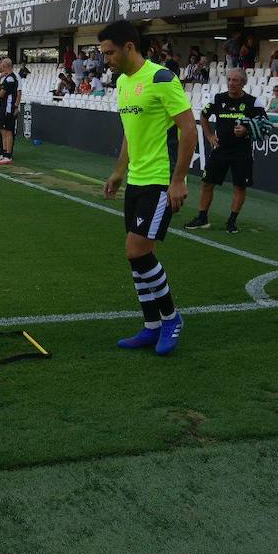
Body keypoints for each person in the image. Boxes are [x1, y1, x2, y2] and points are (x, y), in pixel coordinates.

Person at [98, 20, 197, 357]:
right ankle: (152, 325)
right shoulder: (124, 82)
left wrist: (179, 179)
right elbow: (130, 132)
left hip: (158, 180)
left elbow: (188, 129)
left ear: (129, 47)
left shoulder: (161, 78)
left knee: (137, 251)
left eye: (109, 52)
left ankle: (171, 319)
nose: (105, 59)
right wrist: (118, 172)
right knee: (138, 256)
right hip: (137, 181)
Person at [186, 68, 266, 234]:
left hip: (241, 151)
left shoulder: (253, 102)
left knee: (239, 186)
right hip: (220, 149)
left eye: (235, 80)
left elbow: (264, 125)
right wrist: (209, 136)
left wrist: (246, 131)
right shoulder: (218, 98)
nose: (231, 83)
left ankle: (232, 221)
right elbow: (204, 116)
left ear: (243, 83)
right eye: (229, 79)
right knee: (207, 183)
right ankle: (202, 218)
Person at [0, 58, 19, 165]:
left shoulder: (11, 79)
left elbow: (0, 94)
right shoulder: (6, 77)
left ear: (6, 66)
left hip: (8, 109)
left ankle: (8, 155)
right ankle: (4, 154)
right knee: (3, 131)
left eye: (1, 65)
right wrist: (0, 77)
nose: (0, 66)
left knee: (8, 132)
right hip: (3, 108)